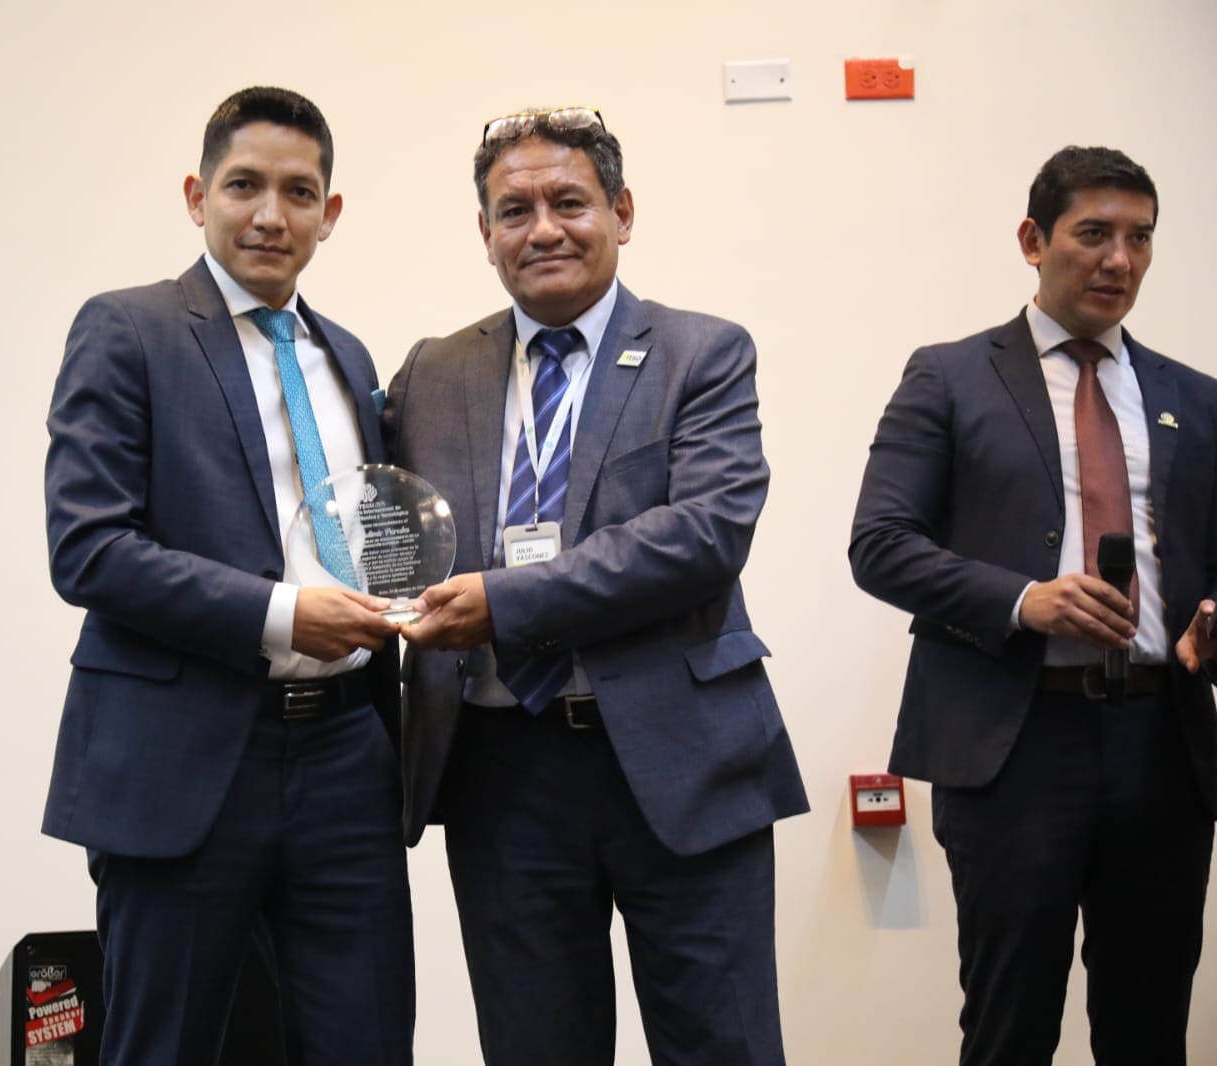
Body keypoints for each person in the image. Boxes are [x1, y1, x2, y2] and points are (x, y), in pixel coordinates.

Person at [384, 106, 808, 1066]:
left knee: (723, 1045)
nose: (542, 229)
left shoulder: (702, 352)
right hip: (500, 769)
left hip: (680, 755)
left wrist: (505, 602)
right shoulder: (431, 372)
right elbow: (379, 520)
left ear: (621, 211)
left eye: (569, 202)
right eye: (514, 210)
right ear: (484, 233)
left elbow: (703, 536)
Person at [42, 86, 414, 1066]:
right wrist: (282, 614)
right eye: (244, 185)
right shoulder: (127, 331)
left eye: (299, 192)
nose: (269, 215)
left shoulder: (349, 356)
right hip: (187, 757)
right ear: (196, 195)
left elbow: (370, 535)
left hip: (347, 758)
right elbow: (88, 547)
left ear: (330, 213)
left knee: (369, 1045)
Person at [850, 145, 1217, 1065]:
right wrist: (1023, 600)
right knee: (1009, 1025)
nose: (1118, 260)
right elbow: (879, 544)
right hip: (1014, 746)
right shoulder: (948, 376)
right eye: (1092, 233)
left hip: (1162, 745)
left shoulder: (1194, 397)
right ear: (1032, 240)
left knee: (1149, 1029)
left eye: (1139, 238)